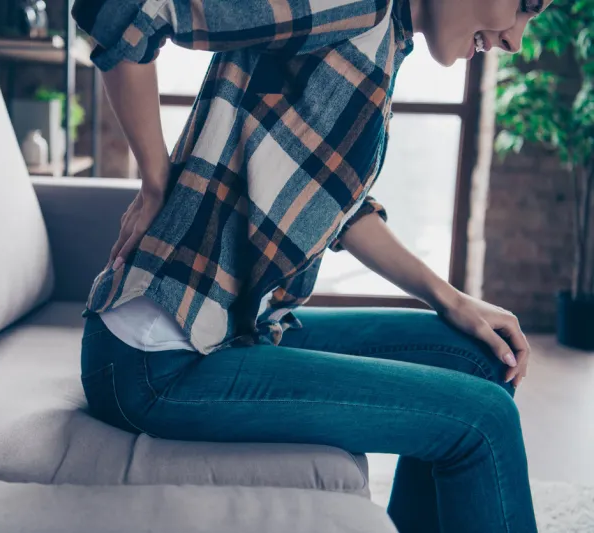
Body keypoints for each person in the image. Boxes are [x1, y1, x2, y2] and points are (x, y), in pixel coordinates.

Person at [73, 0, 549, 531]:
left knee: (476, 358)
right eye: (523, 6)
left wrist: (453, 301)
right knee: (484, 420)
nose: (516, 40)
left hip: (228, 335)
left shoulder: (385, 37)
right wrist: (155, 179)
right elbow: (124, 11)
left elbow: (340, 207)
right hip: (159, 360)